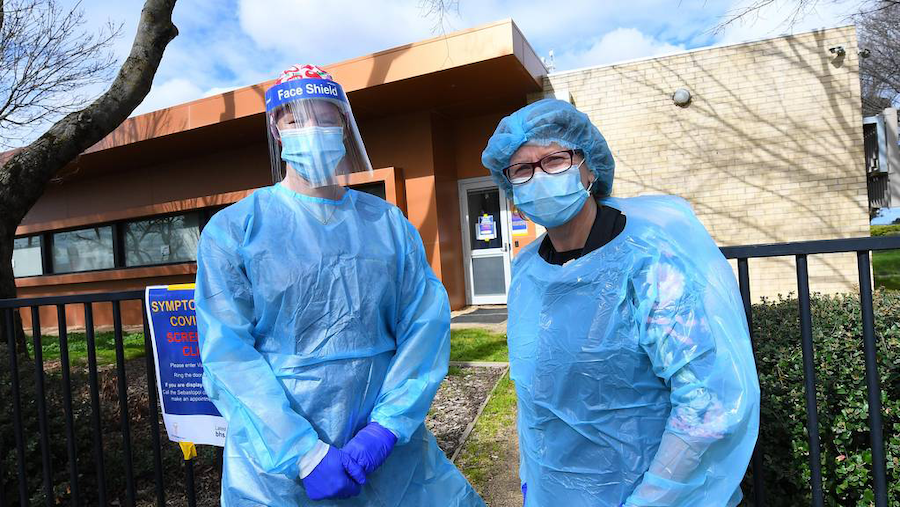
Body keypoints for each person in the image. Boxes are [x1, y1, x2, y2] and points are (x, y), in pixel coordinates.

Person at [195, 64, 484, 506]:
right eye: (296, 119)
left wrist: (387, 426)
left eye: (325, 117)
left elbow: (424, 326)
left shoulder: (386, 223)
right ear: (277, 130)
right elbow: (227, 354)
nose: (312, 130)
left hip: (391, 458)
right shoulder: (236, 229)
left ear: (344, 125)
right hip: (279, 470)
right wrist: (303, 455)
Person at [481, 99, 760, 506]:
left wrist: (651, 500)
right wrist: (531, 480)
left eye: (555, 160)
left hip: (651, 492)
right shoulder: (527, 272)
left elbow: (705, 400)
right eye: (522, 169)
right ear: (509, 186)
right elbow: (536, 399)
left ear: (589, 167)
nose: (538, 177)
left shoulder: (649, 260)